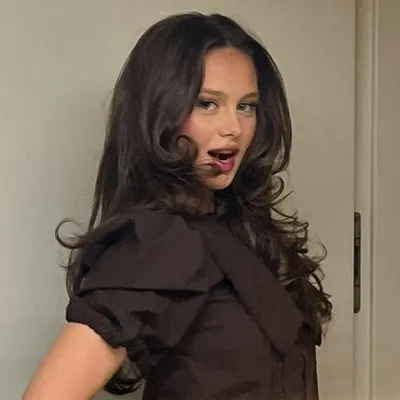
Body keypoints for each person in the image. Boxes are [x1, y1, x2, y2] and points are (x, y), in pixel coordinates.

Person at [23, 12, 332, 400]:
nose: (234, 127)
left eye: (247, 106)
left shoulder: (236, 227)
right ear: (159, 111)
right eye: (207, 103)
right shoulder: (160, 240)